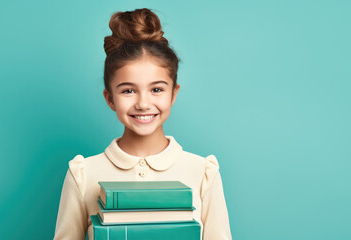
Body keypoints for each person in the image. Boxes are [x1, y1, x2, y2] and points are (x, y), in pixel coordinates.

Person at [53, 8, 232, 240]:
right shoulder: (83, 174)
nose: (143, 103)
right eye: (128, 90)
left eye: (157, 89)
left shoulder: (203, 173)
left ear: (173, 94)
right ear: (110, 99)